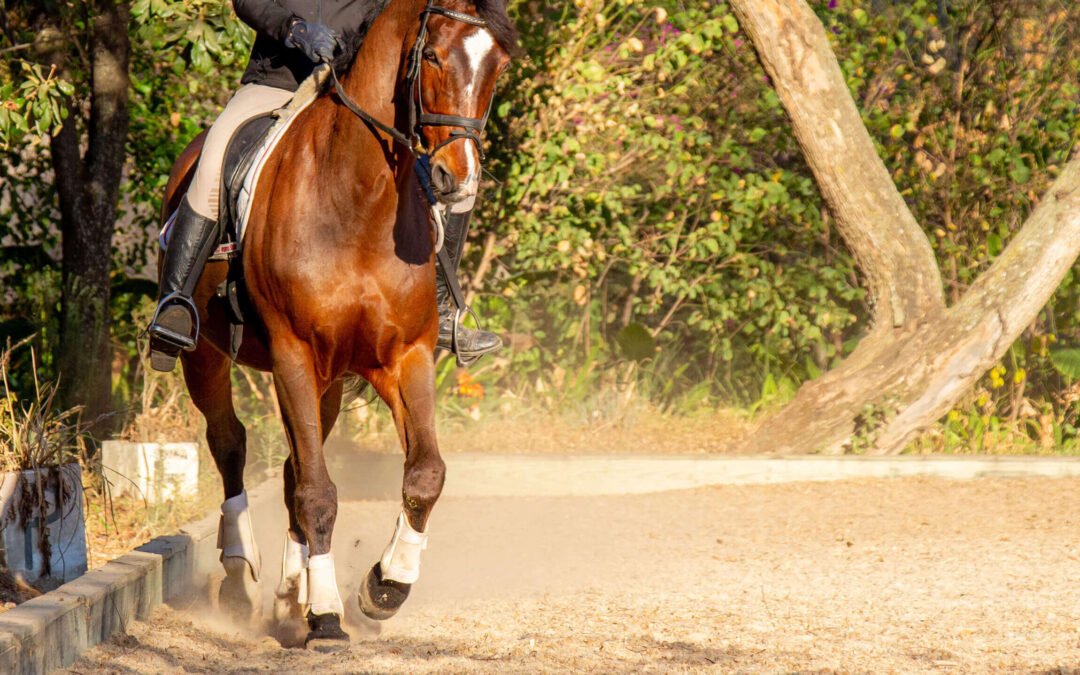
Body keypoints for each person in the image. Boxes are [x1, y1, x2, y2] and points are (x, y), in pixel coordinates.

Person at [148, 0, 502, 372]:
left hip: (355, 89)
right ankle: (175, 302)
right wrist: (296, 30)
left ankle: (442, 309)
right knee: (215, 155)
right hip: (277, 83)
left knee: (463, 181)